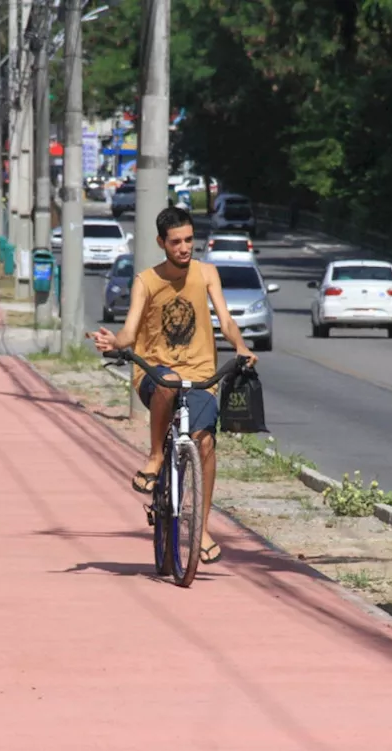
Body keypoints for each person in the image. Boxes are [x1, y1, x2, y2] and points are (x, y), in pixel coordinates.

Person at [88, 207, 257, 564]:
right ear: (161, 242)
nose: (184, 248)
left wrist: (240, 346)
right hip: (155, 371)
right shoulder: (146, 281)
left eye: (188, 240)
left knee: (206, 442)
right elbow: (130, 332)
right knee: (166, 380)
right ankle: (155, 456)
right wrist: (115, 343)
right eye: (176, 242)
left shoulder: (206, 273)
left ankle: (202, 527)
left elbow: (226, 321)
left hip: (199, 374)